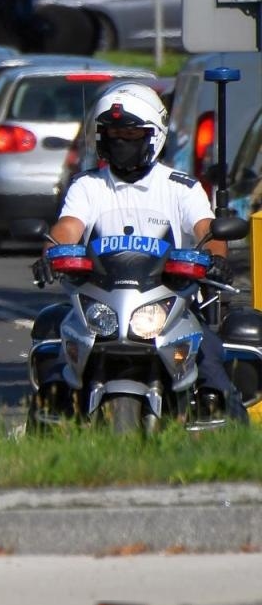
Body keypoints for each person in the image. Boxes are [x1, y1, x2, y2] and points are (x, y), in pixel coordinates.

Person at [38, 82, 247, 421]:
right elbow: (67, 228)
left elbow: (208, 231)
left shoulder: (182, 187)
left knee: (211, 362)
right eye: (113, 134)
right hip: (99, 307)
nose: (121, 142)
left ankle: (233, 436)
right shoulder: (88, 186)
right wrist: (51, 252)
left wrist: (216, 258)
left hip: (170, 308)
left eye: (131, 135)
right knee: (56, 365)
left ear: (155, 135)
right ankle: (45, 432)